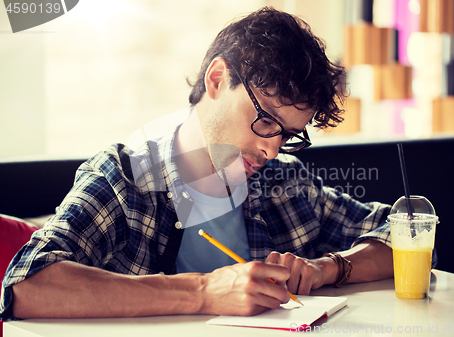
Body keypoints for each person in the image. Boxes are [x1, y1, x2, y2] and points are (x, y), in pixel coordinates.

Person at [1, 7, 396, 320]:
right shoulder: (125, 181)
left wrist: (330, 268)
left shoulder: (283, 183)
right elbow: (26, 285)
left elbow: (406, 234)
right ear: (218, 79)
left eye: (288, 135)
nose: (272, 149)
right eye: (265, 120)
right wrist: (204, 292)